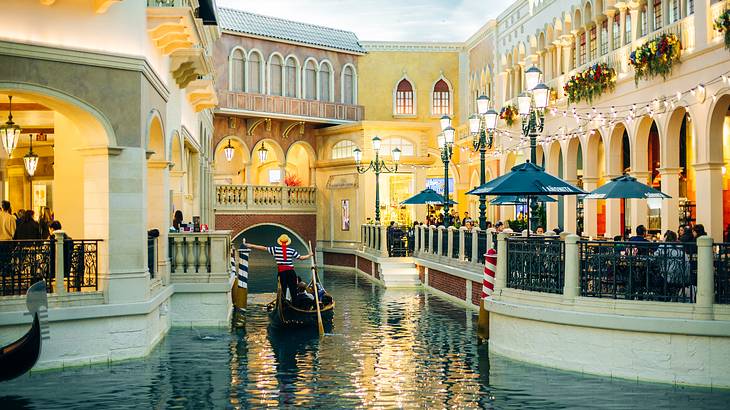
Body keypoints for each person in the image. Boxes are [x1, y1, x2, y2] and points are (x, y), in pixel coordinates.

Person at [246, 234, 312, 301]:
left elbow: (263, 248)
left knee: (283, 289)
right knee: (293, 289)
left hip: (282, 273)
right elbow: (301, 258)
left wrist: (251, 245)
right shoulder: (291, 250)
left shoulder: (275, 249)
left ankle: (283, 302)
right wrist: (309, 255)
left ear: (280, 241)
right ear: (287, 242)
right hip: (291, 272)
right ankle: (295, 303)